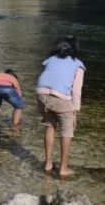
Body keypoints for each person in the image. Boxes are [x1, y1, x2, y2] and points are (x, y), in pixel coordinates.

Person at [36, 36, 86, 177]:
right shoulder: (78, 64)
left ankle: (48, 164)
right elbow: (76, 90)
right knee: (67, 132)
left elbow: (48, 76)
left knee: (50, 126)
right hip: (60, 97)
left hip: (41, 94)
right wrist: (75, 112)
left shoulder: (49, 60)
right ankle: (63, 168)